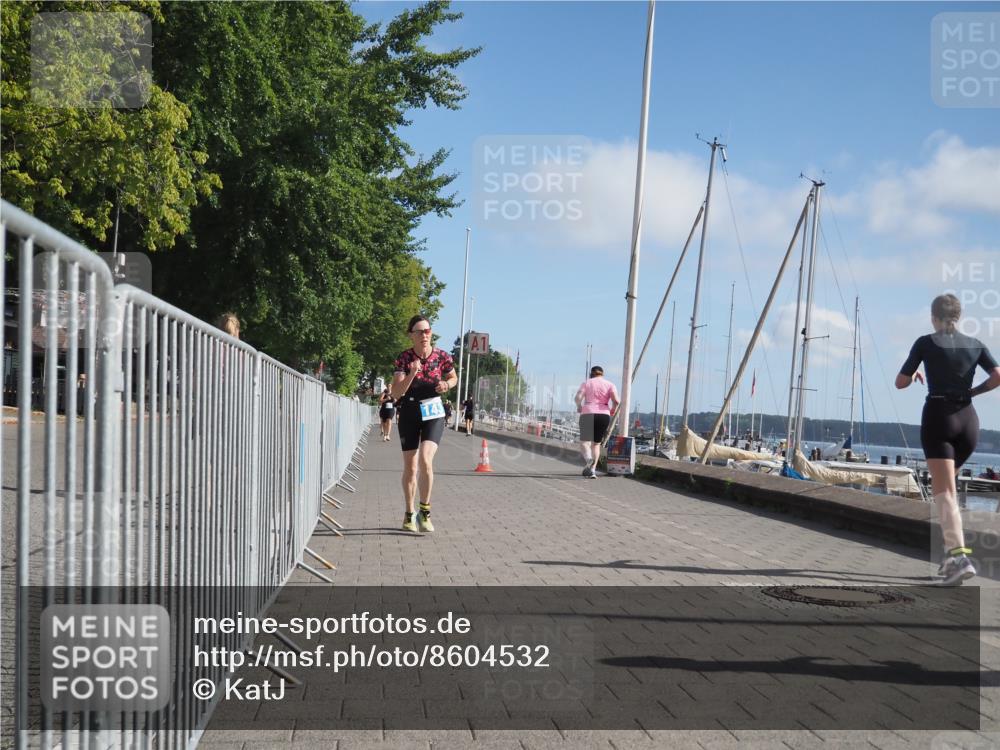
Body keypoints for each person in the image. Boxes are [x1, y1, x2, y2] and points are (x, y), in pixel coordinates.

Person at [896, 293, 1000, 585]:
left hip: (939, 418)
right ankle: (949, 554)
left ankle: (959, 557)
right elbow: (997, 375)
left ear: (933, 318)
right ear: (958, 317)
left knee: (945, 496)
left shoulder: (925, 342)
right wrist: (974, 393)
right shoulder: (975, 345)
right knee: (949, 492)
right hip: (968, 422)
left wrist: (915, 372)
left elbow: (900, 382)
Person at [390, 315, 457, 533]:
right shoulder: (404, 359)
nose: (425, 335)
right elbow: (396, 393)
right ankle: (409, 514)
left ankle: (425, 512)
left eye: (427, 331)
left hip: (433, 411)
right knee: (411, 467)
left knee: (426, 461)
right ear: (411, 335)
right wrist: (411, 373)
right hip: (409, 411)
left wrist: (447, 384)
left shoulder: (442, 356)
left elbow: (454, 378)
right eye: (420, 332)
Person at [575, 366, 620, 478]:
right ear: (602, 374)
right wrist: (613, 410)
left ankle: (588, 459)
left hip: (588, 412)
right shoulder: (610, 384)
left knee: (584, 442)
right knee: (596, 444)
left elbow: (577, 397)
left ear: (591, 374)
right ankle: (593, 470)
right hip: (603, 414)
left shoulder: (586, 383)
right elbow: (617, 401)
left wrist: (579, 406)